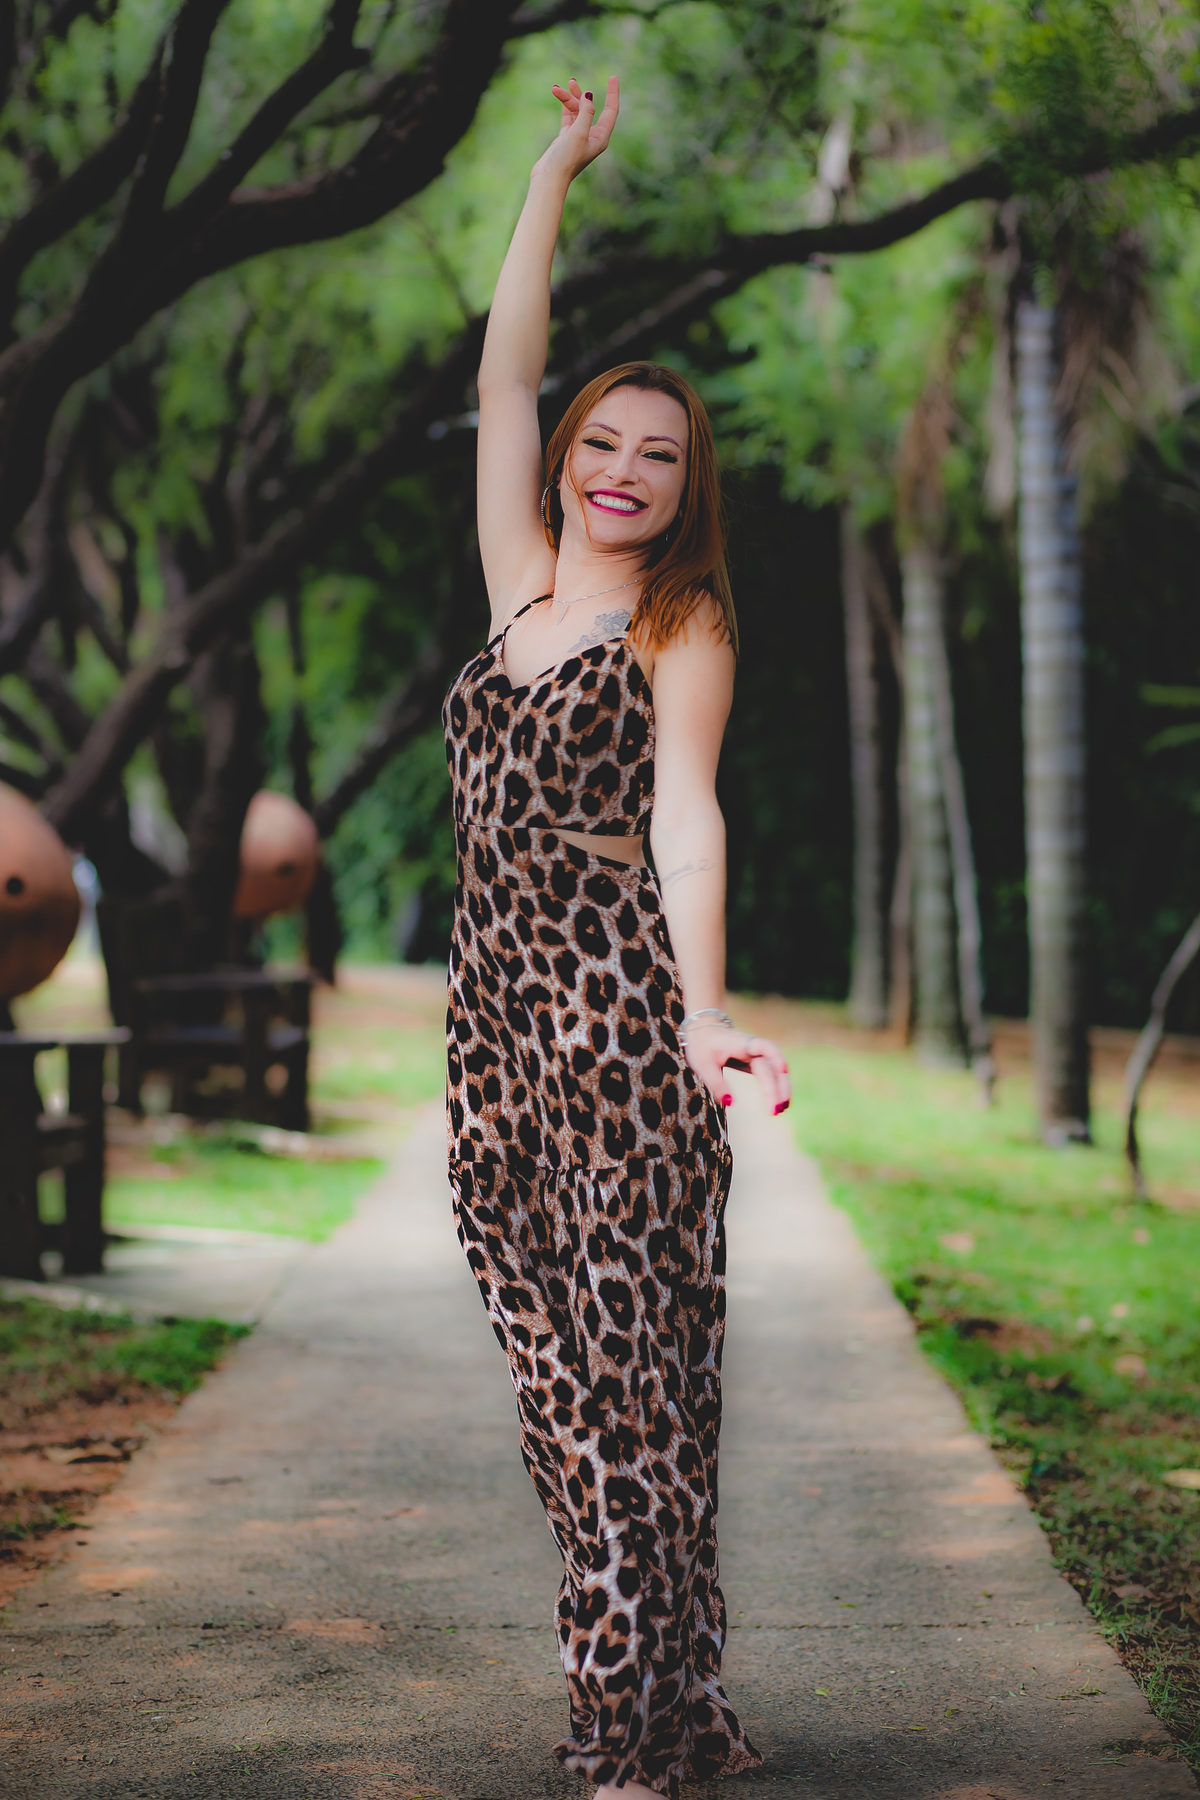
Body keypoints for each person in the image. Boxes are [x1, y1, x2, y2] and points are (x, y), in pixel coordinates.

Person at [442, 75, 790, 1800]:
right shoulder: (516, 581)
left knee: (629, 1392)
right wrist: (550, 178)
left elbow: (686, 820)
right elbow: (506, 375)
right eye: (604, 444)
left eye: (660, 454)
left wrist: (703, 1013)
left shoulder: (680, 623)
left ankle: (629, 1726)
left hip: (618, 1041)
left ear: (686, 484)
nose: (623, 472)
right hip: (492, 1044)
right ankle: (686, 1700)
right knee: (559, 1393)